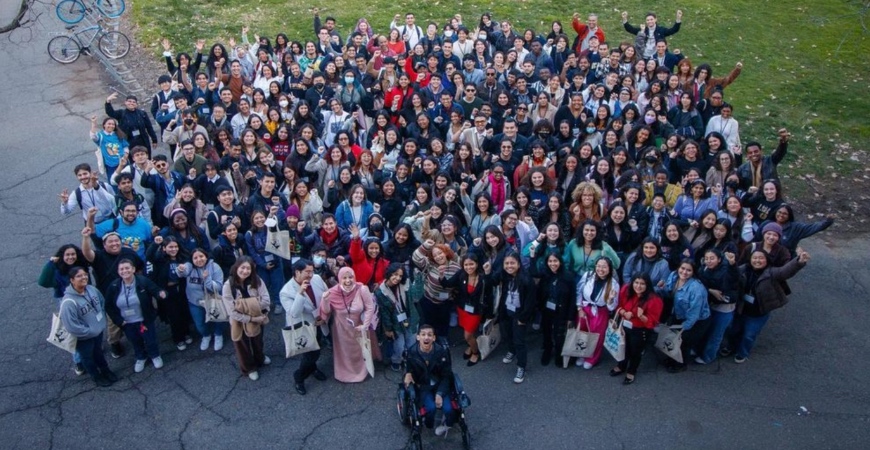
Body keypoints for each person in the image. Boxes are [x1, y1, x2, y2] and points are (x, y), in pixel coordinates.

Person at [724, 249, 810, 363]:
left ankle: (742, 353)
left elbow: (786, 271)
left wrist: (799, 261)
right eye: (755, 258)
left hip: (758, 312)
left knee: (749, 335)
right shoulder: (744, 269)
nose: (757, 261)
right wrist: (731, 263)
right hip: (741, 309)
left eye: (761, 258)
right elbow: (733, 275)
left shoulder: (771, 272)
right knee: (733, 330)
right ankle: (731, 347)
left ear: (767, 260)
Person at [104, 259, 167, 373]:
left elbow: (156, 290)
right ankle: (141, 357)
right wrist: (118, 321)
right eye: (121, 269)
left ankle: (155, 355)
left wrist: (161, 294)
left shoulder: (143, 281)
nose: (125, 271)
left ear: (133, 269)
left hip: (144, 320)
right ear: (118, 271)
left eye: (127, 268)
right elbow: (108, 306)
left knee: (150, 340)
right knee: (135, 341)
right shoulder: (113, 286)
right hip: (127, 322)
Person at [59, 267, 119, 387]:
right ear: (72, 280)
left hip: (97, 332)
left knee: (98, 353)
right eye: (79, 276)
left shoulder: (92, 289)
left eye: (85, 274)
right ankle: (96, 376)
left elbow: (102, 303)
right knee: (87, 358)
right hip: (83, 337)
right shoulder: (68, 302)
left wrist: (100, 324)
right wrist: (90, 332)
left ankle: (105, 370)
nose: (84, 277)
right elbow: (72, 326)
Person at [318, 267, 377, 383]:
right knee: (344, 352)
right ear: (339, 279)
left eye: (350, 277)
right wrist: (325, 300)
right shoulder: (333, 292)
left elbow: (370, 307)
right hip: (341, 329)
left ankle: (362, 372)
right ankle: (345, 373)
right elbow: (326, 311)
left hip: (359, 327)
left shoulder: (362, 289)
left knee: (360, 350)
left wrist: (365, 325)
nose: (348, 281)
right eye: (344, 278)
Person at [279, 259, 329, 395]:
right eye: (307, 272)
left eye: (312, 271)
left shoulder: (317, 279)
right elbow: (294, 312)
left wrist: (324, 316)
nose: (311, 275)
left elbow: (327, 295)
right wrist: (300, 293)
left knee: (317, 347)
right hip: (304, 326)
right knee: (311, 353)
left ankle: (313, 369)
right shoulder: (286, 291)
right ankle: (299, 377)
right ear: (297, 272)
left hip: (319, 321)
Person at [38, 245, 89, 374]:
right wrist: (50, 263)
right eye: (67, 255)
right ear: (61, 256)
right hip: (66, 301)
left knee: (88, 324)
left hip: (84, 297)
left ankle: (91, 350)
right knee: (74, 331)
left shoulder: (81, 265)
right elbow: (43, 282)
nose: (70, 257)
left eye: (73, 254)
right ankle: (78, 361)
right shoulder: (57, 270)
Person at [222, 256, 272, 381]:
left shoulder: (257, 280)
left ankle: (260, 358)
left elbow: (266, 301)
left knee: (258, 340)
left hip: (257, 316)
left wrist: (241, 305)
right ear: (236, 267)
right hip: (239, 321)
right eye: (242, 267)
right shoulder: (228, 285)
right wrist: (251, 315)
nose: (245, 271)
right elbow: (232, 312)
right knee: (242, 345)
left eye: (248, 268)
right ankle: (249, 368)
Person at [440, 254, 491, 367]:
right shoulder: (461, 274)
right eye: (466, 265)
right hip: (462, 308)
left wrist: (488, 274)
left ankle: (475, 353)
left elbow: (489, 293)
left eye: (471, 264)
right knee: (468, 332)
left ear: (477, 264)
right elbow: (447, 284)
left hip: (475, 311)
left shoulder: (483, 277)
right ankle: (471, 345)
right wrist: (441, 275)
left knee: (467, 335)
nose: (469, 267)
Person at [529, 246, 576, 367]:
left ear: (560, 261)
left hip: (562, 310)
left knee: (559, 334)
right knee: (547, 331)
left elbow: (573, 298)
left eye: (555, 261)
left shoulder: (568, 277)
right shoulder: (545, 274)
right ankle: (548, 350)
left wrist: (570, 317)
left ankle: (559, 353)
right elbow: (533, 273)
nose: (552, 264)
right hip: (546, 309)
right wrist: (532, 256)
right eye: (550, 261)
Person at [403, 324, 455, 436]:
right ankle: (429, 424)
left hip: (439, 383)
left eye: (429, 335)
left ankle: (447, 424)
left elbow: (446, 375)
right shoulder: (412, 352)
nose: (426, 337)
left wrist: (440, 393)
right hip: (423, 386)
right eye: (423, 334)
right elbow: (409, 368)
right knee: (430, 408)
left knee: (448, 409)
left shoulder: (441, 352)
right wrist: (408, 374)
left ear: (434, 338)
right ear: (418, 337)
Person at [611, 274, 663, 384]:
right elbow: (618, 305)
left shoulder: (654, 299)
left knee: (635, 352)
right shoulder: (626, 290)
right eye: (636, 282)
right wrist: (624, 312)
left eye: (642, 284)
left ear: (647, 285)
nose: (638, 286)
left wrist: (641, 316)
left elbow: (652, 322)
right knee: (623, 348)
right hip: (624, 325)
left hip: (639, 330)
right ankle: (621, 366)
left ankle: (632, 371)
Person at [661, 259, 711, 372]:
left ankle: (680, 365)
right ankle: (672, 359)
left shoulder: (696, 289)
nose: (684, 272)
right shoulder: (674, 276)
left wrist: (684, 327)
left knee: (684, 342)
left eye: (689, 270)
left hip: (697, 320)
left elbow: (694, 314)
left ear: (693, 272)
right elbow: (667, 290)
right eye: (682, 268)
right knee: (674, 338)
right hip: (679, 314)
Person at [493, 252, 536, 383]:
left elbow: (530, 302)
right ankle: (511, 351)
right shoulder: (505, 276)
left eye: (512, 263)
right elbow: (492, 281)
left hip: (519, 314)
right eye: (506, 263)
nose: (509, 266)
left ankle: (521, 366)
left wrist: (523, 318)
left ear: (519, 264)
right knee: (508, 335)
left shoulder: (526, 280)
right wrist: (489, 271)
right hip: (506, 312)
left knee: (519, 341)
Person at [146, 236, 193, 351]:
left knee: (184, 312)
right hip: (168, 291)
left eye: (176, 246)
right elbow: (149, 256)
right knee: (174, 316)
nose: (174, 249)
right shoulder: (160, 260)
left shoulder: (182, 257)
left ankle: (186, 333)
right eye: (170, 247)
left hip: (181, 289)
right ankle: (178, 339)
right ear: (164, 248)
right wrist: (155, 244)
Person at [695, 249, 740, 365]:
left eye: (712, 258)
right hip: (710, 304)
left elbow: (733, 277)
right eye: (706, 258)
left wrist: (732, 264)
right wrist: (710, 290)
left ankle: (708, 356)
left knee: (716, 334)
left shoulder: (726, 270)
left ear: (719, 260)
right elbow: (699, 283)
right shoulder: (703, 269)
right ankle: (698, 350)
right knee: (704, 330)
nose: (708, 261)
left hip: (724, 308)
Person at [574, 257, 620, 369]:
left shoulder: (614, 284)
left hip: (600, 311)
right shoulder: (588, 275)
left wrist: (610, 300)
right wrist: (579, 308)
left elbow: (611, 307)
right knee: (582, 332)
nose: (601, 269)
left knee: (596, 336)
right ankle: (581, 354)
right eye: (598, 266)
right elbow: (579, 291)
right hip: (585, 308)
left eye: (604, 267)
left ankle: (592, 358)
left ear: (609, 269)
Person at [177, 248, 226, 351]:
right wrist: (180, 269)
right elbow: (182, 272)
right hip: (195, 302)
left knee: (218, 319)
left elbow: (218, 287)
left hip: (213, 300)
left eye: (201, 256)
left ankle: (218, 335)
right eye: (195, 258)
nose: (199, 259)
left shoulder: (215, 267)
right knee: (200, 324)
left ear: (206, 257)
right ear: (192, 260)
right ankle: (206, 335)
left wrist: (207, 278)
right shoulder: (190, 266)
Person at [412, 240, 461, 342]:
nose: (438, 257)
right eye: (435, 255)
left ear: (446, 253)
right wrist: (425, 246)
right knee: (428, 322)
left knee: (443, 322)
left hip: (445, 302)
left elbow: (457, 286)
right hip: (429, 300)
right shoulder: (430, 264)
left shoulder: (456, 268)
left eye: (440, 253)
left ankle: (442, 340)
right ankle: (428, 341)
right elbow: (416, 258)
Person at [375, 263, 419, 372]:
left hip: (410, 317)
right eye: (395, 274)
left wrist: (419, 280)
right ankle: (396, 360)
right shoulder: (381, 292)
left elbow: (417, 296)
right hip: (396, 322)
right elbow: (384, 312)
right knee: (399, 344)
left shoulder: (405, 284)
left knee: (411, 342)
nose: (398, 278)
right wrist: (388, 329)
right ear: (389, 273)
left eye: (400, 276)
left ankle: (410, 359)